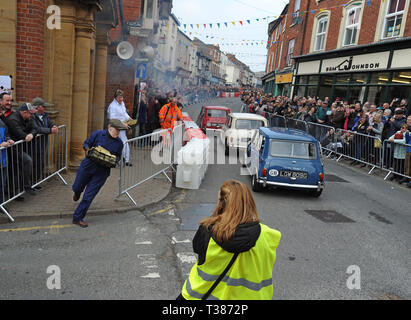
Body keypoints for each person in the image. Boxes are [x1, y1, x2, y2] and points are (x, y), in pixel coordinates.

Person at [178, 180, 281, 300]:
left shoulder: (207, 230)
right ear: (249, 203)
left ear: (221, 203)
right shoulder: (268, 235)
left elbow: (198, 250)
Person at [71, 119, 125, 228]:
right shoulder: (98, 134)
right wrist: (87, 149)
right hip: (88, 166)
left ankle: (77, 218)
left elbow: (118, 157)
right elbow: (86, 143)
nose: (118, 132)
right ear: (109, 127)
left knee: (88, 196)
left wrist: (114, 161)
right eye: (116, 129)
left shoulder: (119, 143)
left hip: (102, 172)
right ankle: (77, 192)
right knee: (77, 187)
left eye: (120, 130)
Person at [6, 103, 38, 196]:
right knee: (25, 162)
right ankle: (24, 187)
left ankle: (16, 193)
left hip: (20, 147)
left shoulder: (27, 118)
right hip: (12, 148)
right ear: (24, 112)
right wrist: (27, 135)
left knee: (16, 170)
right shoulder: (13, 120)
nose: (32, 116)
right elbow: (20, 134)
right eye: (30, 113)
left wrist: (31, 134)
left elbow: (35, 128)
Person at [31, 97, 58, 183]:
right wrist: (50, 130)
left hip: (42, 144)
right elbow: (36, 128)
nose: (44, 108)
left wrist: (54, 125)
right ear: (38, 107)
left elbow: (50, 122)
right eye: (43, 106)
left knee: (41, 163)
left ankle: (37, 181)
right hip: (34, 145)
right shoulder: (32, 116)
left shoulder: (44, 115)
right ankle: (32, 182)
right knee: (34, 163)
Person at [107, 89, 132, 166]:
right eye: (119, 97)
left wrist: (129, 119)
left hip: (122, 127)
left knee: (124, 142)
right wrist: (122, 124)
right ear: (116, 97)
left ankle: (126, 160)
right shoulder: (112, 106)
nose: (121, 99)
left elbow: (124, 113)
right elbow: (112, 119)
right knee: (120, 143)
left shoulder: (122, 103)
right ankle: (120, 160)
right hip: (115, 128)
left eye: (122, 97)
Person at [0, 118, 14, 203]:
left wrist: (8, 139)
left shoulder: (1, 122)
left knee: (2, 184)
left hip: (3, 160)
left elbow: (6, 134)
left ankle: (1, 203)